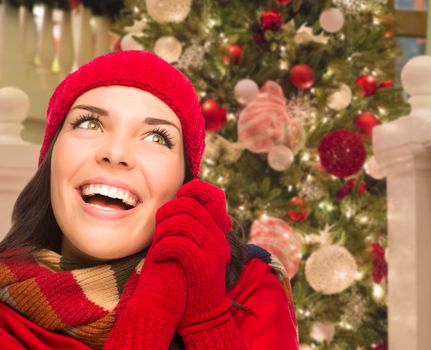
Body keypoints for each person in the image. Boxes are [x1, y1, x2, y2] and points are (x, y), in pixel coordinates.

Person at [0, 50, 299, 350]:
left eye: (157, 137)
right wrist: (153, 312)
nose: (116, 153)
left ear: (184, 183)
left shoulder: (249, 288)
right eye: (89, 123)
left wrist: (206, 320)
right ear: (51, 158)